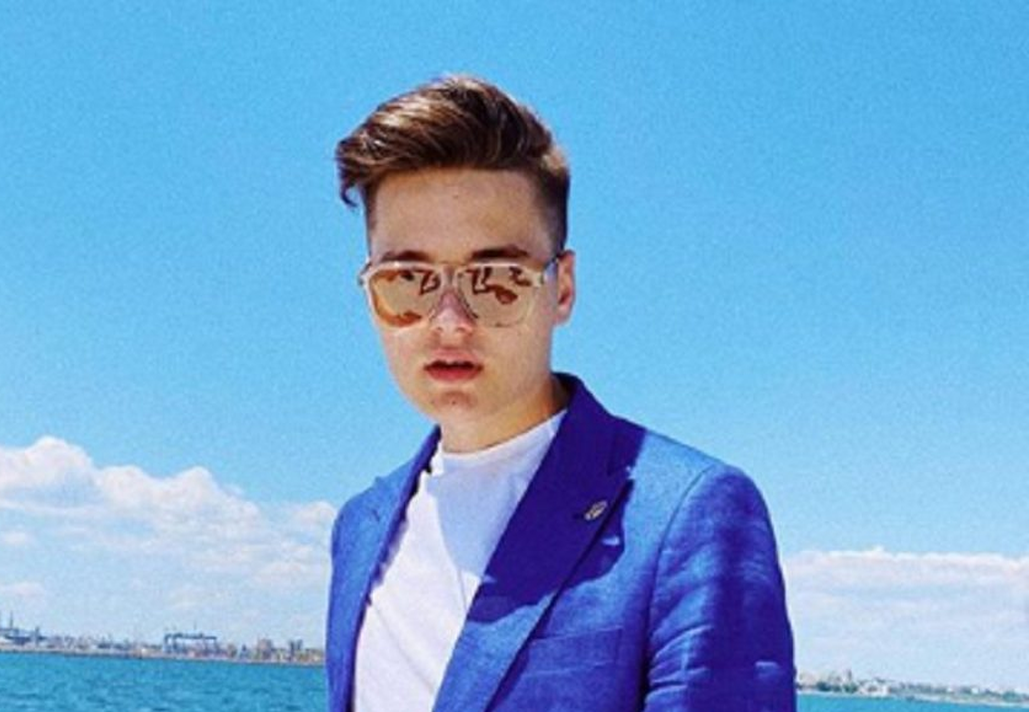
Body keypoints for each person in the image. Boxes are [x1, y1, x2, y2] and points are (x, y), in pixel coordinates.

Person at [325, 75, 795, 712]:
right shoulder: (360, 528)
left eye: (496, 281)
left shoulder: (688, 516)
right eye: (408, 282)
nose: (449, 322)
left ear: (563, 289)